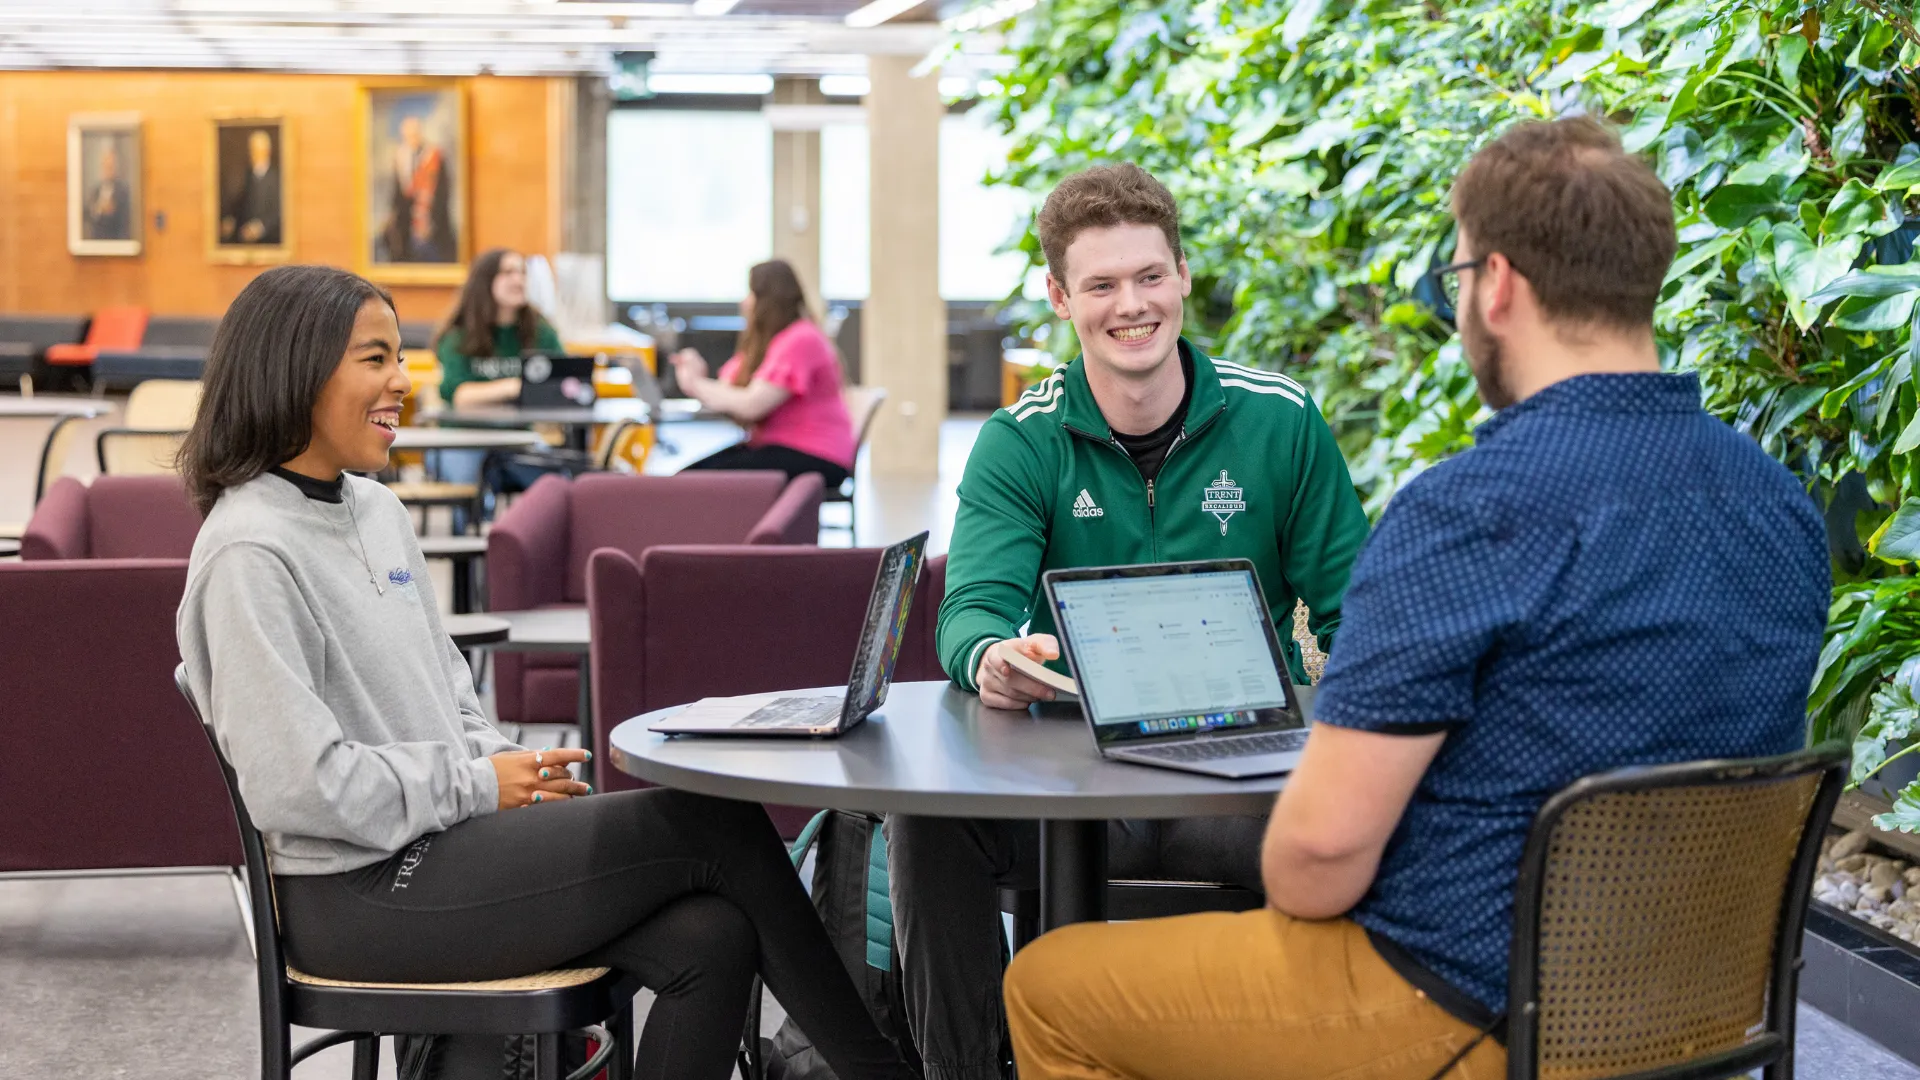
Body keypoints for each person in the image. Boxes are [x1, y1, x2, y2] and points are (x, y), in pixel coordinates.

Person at [998, 118, 1832, 1080]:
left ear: (1502, 285)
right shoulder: (1780, 507)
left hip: (1467, 1006)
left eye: (1463, 276)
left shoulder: (1467, 515)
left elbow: (1313, 864)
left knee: (1051, 988)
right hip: (1698, 1012)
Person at [174, 264, 917, 1080]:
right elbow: (298, 790)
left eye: (400, 356)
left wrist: (517, 779)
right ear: (295, 368)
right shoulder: (249, 551)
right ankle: (880, 1072)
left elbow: (450, 691)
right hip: (352, 893)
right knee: (716, 822)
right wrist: (482, 787)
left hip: (442, 844)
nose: (403, 382)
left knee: (713, 935)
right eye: (375, 358)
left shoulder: (375, 509)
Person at [891, 162, 1371, 1080]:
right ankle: (973, 1070)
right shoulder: (1021, 440)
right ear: (1061, 297)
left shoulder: (1279, 421)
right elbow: (971, 613)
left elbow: (1362, 616)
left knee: (1376, 823)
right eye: (1102, 285)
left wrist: (1353, 747)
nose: (1132, 305)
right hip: (1070, 784)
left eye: (1150, 277)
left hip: (1232, 784)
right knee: (926, 822)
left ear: (1183, 275)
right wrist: (992, 657)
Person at [671, 259, 856, 488]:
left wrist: (695, 384)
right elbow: (731, 390)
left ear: (769, 299)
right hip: (782, 446)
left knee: (689, 486)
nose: (745, 302)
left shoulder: (801, 339)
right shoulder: (776, 341)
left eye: (751, 293)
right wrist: (698, 378)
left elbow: (750, 404)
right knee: (685, 480)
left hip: (816, 453)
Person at [434, 247, 565, 408]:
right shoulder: (458, 336)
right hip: (467, 429)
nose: (519, 280)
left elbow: (563, 379)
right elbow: (458, 394)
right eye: (508, 272)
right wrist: (514, 387)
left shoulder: (541, 331)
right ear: (485, 281)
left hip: (521, 431)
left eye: (523, 272)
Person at [381, 113, 455, 263]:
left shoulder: (434, 156)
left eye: (414, 134)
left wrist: (432, 219)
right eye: (408, 135)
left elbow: (443, 192)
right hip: (407, 221)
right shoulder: (400, 156)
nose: (412, 138)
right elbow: (397, 194)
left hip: (432, 219)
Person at [220, 129, 282, 247]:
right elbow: (241, 205)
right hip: (245, 238)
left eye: (256, 150)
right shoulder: (247, 175)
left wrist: (260, 227)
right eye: (251, 150)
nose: (252, 154)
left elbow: (279, 212)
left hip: (269, 239)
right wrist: (231, 220)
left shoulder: (277, 178)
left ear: (266, 151)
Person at [84, 142, 132, 241]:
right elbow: (86, 214)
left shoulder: (123, 191)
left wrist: (113, 210)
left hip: (115, 242)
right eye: (105, 164)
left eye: (110, 165)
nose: (107, 168)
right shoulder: (96, 190)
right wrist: (98, 209)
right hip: (96, 243)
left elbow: (126, 222)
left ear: (115, 167)